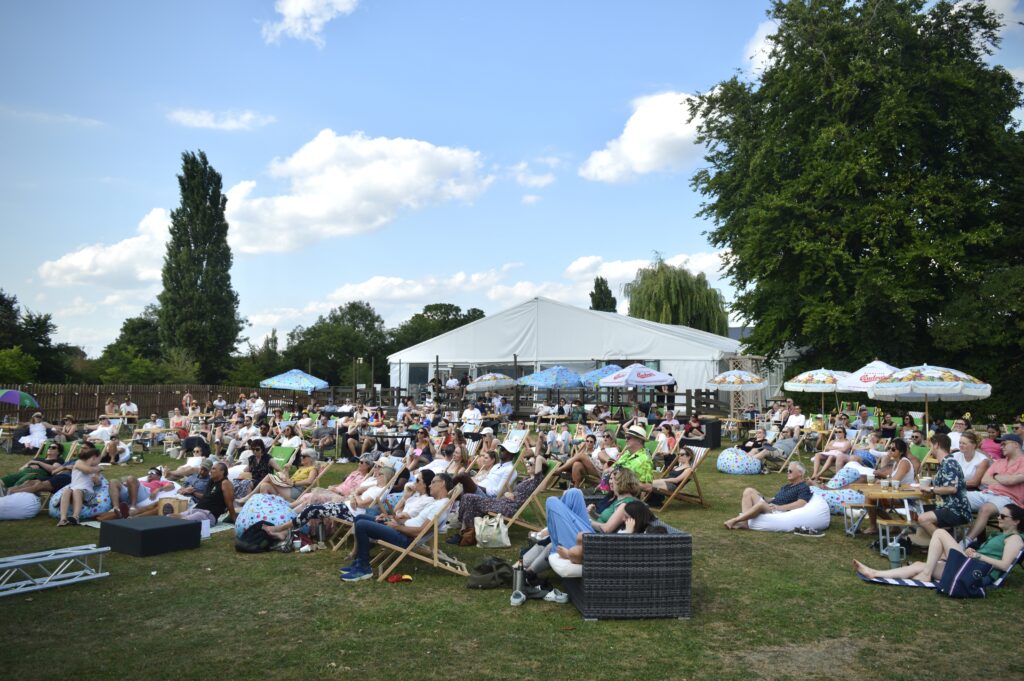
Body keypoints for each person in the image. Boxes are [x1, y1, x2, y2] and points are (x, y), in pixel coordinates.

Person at [855, 504, 1024, 583]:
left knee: (941, 533)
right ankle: (875, 573)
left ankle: (926, 574)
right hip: (970, 564)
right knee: (921, 565)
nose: (999, 518)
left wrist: (979, 555)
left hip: (975, 572)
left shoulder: (1015, 539)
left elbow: (1003, 565)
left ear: (1016, 522)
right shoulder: (1001, 535)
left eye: (1003, 517)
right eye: (999, 515)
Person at [341, 473, 455, 582]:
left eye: (433, 482)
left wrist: (397, 527)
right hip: (402, 529)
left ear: (442, 484)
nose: (430, 485)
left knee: (362, 525)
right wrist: (390, 519)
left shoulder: (440, 506)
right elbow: (413, 521)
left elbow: (419, 532)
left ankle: (363, 568)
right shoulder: (437, 503)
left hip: (406, 537)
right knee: (360, 518)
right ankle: (360, 562)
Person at [455, 453, 549, 539]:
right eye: (528, 462)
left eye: (531, 463)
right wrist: (507, 493)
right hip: (502, 501)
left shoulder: (536, 481)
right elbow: (514, 493)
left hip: (508, 507)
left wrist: (537, 458)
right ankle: (466, 531)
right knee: (468, 497)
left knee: (469, 497)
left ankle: (465, 531)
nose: (527, 465)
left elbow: (540, 458)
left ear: (538, 467)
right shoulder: (526, 479)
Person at [962, 433, 1024, 548]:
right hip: (987, 493)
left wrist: (995, 475)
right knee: (958, 498)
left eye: (1004, 444)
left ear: (1015, 445)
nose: (1001, 446)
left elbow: (1013, 480)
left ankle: (965, 542)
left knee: (985, 508)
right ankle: (958, 534)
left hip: (1009, 499)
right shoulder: (1000, 462)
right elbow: (984, 480)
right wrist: (1005, 480)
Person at [724, 462, 812, 529]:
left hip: (779, 511)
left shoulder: (803, 487)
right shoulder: (787, 486)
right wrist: (763, 498)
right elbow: (775, 499)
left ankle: (736, 520)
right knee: (749, 491)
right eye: (787, 471)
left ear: (800, 473)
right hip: (772, 505)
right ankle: (745, 522)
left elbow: (801, 503)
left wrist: (779, 507)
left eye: (790, 471)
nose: (787, 473)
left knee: (761, 504)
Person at [917, 434, 971, 538]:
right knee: (918, 510)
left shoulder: (949, 463)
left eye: (930, 446)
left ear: (936, 445)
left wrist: (931, 489)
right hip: (947, 506)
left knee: (923, 519)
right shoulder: (945, 463)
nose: (930, 449)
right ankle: (928, 541)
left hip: (956, 510)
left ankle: (946, 544)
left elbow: (952, 489)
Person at [57, 448, 103, 526]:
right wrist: (98, 468)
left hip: (89, 495)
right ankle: (63, 519)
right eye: (99, 459)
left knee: (77, 491)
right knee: (66, 491)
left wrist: (97, 481)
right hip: (73, 490)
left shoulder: (95, 468)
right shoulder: (79, 463)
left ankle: (75, 517)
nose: (99, 462)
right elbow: (87, 470)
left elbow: (98, 484)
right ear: (94, 458)